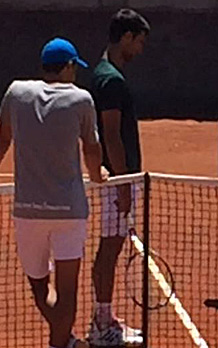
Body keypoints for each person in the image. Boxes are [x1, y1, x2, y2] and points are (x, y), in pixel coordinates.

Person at [0, 37, 104, 348]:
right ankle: (64, 341)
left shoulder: (16, 92)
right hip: (70, 212)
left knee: (39, 285)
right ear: (70, 66)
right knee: (67, 291)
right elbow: (92, 148)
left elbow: (1, 140)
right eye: (75, 67)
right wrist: (98, 177)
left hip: (28, 211)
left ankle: (61, 343)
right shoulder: (82, 99)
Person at [87, 8, 150, 347]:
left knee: (110, 246)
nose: (140, 48)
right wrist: (124, 183)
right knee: (109, 248)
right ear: (126, 37)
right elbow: (111, 135)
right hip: (117, 180)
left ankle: (103, 318)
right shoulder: (111, 80)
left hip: (116, 177)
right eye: (138, 41)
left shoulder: (104, 73)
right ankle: (101, 324)